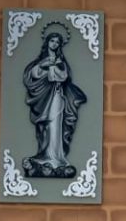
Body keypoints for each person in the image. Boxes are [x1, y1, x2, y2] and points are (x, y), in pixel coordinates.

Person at [21, 24, 86, 178]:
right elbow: (31, 75)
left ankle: (56, 157)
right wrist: (43, 66)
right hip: (43, 99)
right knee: (44, 126)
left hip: (57, 95)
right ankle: (44, 155)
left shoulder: (60, 61)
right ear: (47, 42)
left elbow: (64, 76)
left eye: (57, 42)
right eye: (52, 41)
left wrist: (54, 67)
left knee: (55, 124)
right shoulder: (40, 61)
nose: (55, 44)